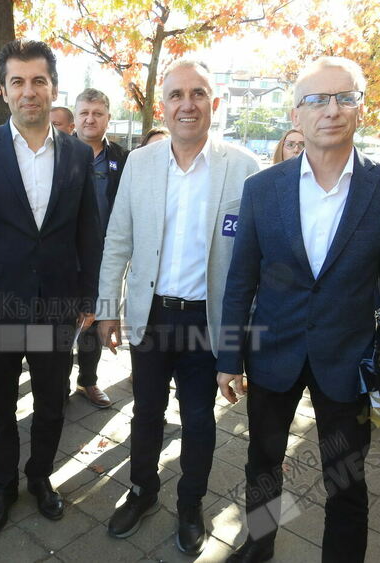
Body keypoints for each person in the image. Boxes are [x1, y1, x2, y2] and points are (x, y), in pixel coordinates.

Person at [216, 56, 380, 563]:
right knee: (262, 463)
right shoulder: (263, 188)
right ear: (296, 115)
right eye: (316, 99)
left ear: (360, 108)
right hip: (272, 353)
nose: (332, 109)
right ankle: (258, 545)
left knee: (345, 478)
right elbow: (241, 281)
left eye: (344, 97)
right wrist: (228, 357)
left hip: (348, 357)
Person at [96, 59, 260, 555]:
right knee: (146, 412)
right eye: (176, 95)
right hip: (152, 315)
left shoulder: (243, 168)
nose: (187, 104)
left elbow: (254, 262)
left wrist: (240, 341)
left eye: (197, 93)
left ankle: (191, 504)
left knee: (199, 420)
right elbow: (118, 239)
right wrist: (107, 307)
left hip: (208, 321)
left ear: (215, 102)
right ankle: (142, 491)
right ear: (162, 106)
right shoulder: (140, 163)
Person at [0, 39, 102, 536]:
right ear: (3, 90)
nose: (29, 91)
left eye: (39, 81)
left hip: (56, 309)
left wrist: (88, 297)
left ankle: (40, 477)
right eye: (18, 81)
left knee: (52, 403)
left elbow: (88, 232)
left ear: (53, 88)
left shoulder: (77, 154)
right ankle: (2, 485)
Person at [69, 88, 129, 408]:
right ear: (75, 117)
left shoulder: (123, 158)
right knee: (61, 320)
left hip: (105, 257)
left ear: (108, 118)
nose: (90, 119)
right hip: (64, 256)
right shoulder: (56, 152)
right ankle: (54, 383)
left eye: (97, 113)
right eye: (84, 113)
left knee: (95, 319)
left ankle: (87, 381)